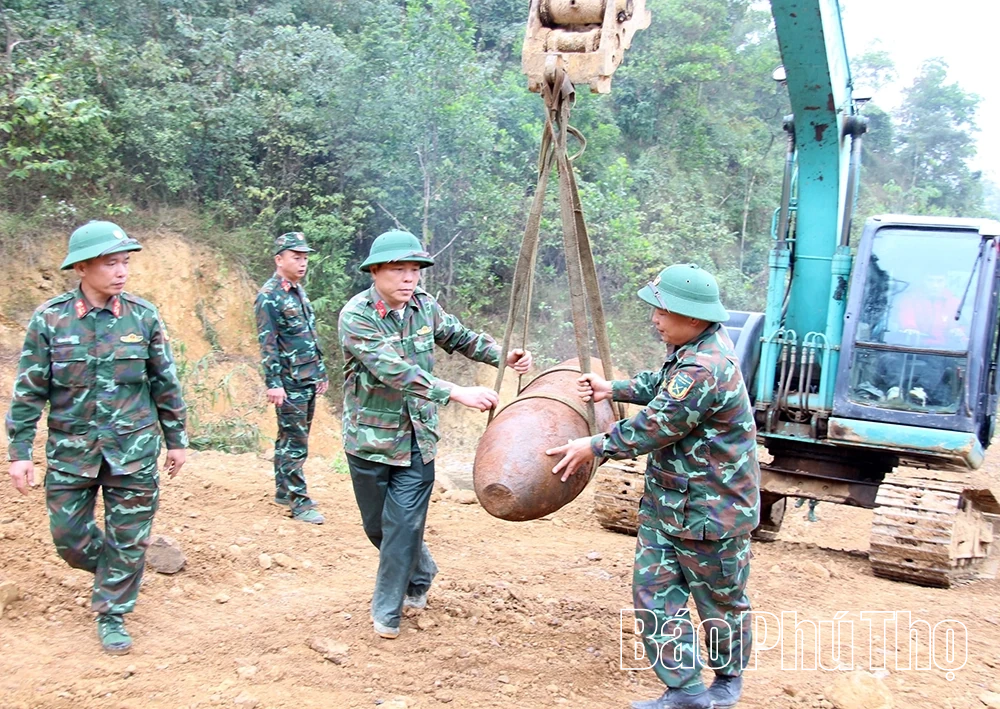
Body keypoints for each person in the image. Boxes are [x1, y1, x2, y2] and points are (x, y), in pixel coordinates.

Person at [547, 264, 760, 709]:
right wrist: (614, 388)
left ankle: (727, 679)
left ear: (693, 316)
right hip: (671, 503)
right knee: (654, 594)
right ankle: (684, 690)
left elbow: (655, 426)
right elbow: (663, 387)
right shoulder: (692, 349)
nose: (655, 318)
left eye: (662, 310)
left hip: (712, 511)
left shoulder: (705, 367)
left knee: (720, 601)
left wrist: (594, 445)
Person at [339, 229, 532, 640]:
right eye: (398, 270)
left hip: (417, 438)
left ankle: (388, 610)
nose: (409, 278)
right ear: (375, 271)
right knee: (378, 527)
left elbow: (459, 337)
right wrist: (456, 391)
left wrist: (504, 354)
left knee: (403, 524)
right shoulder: (357, 317)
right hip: (369, 440)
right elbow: (393, 369)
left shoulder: (424, 307)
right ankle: (422, 569)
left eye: (415, 270)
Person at [5, 220, 188, 655]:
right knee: (68, 539)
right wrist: (19, 451)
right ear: (82, 267)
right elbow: (30, 389)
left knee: (129, 537)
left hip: (134, 449)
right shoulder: (50, 319)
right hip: (72, 452)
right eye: (111, 263)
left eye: (125, 262)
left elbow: (165, 382)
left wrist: (177, 439)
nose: (121, 271)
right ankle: (120, 569)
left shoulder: (143, 317)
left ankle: (112, 613)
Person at [254, 231, 329, 524]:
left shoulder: (296, 291)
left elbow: (309, 337)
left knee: (289, 437)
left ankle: (284, 490)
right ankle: (300, 502)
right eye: (296, 258)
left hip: (307, 377)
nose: (303, 263)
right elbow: (268, 342)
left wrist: (320, 372)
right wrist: (273, 383)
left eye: (305, 258)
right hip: (289, 381)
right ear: (279, 259)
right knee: (295, 442)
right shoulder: (269, 296)